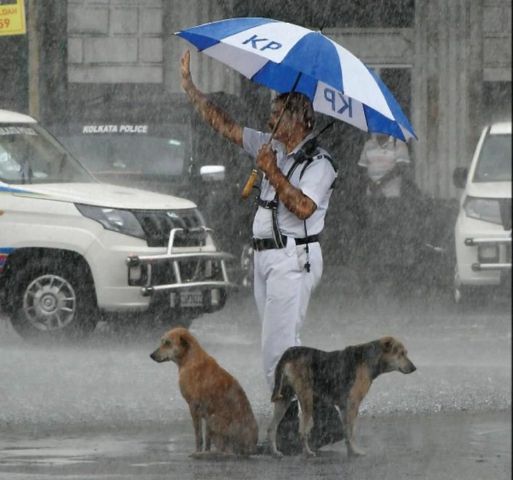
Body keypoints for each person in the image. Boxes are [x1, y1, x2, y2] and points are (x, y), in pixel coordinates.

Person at [180, 50, 337, 389]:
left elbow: (304, 207)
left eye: (277, 115)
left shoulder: (318, 163)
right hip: (265, 257)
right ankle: (302, 416)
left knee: (276, 349)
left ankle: (291, 420)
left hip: (293, 257)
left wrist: (272, 171)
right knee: (281, 344)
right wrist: (193, 91)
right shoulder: (272, 147)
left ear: (299, 119)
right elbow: (227, 127)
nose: (270, 122)